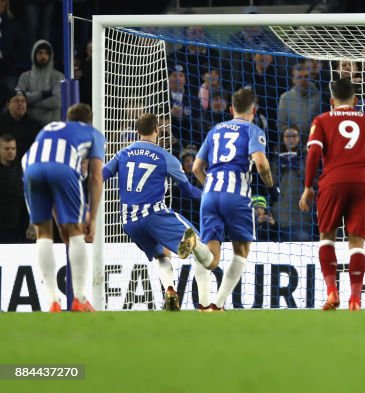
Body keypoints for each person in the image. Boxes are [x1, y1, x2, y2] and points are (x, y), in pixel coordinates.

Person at [300, 79, 365, 311]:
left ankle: (332, 292)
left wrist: (307, 187)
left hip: (332, 182)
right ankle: (355, 298)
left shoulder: (322, 120)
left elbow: (314, 152)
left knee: (327, 237)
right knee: (356, 243)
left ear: (332, 101)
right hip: (362, 183)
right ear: (356, 100)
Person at [102, 112, 215, 311]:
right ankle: (205, 303)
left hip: (129, 222)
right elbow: (188, 191)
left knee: (161, 255)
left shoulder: (123, 153)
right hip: (155, 215)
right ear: (157, 130)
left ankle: (170, 290)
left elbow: (102, 175)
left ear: (137, 131)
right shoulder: (166, 158)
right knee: (202, 250)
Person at [192, 88, 274, 311]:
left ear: (231, 109)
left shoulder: (215, 130)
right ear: (254, 110)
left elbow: (196, 167)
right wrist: (271, 187)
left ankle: (202, 304)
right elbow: (261, 162)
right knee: (241, 252)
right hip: (236, 195)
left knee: (210, 257)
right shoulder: (253, 129)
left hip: (210, 194)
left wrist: (209, 183)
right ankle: (217, 306)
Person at [23, 103, 105, 312]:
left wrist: (61, 222)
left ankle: (52, 302)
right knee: (76, 232)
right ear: (89, 120)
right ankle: (79, 299)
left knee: (43, 234)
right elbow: (96, 177)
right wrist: (92, 219)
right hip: (63, 166)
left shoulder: (49, 128)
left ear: (67, 118)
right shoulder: (92, 133)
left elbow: (45, 167)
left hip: (30, 167)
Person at [16, 40, 63, 124]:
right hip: (29, 125)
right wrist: (42, 94)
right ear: (34, 55)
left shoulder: (58, 76)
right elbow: (18, 99)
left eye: (46, 53)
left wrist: (30, 102)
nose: (43, 56)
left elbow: (57, 101)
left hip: (52, 125)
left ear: (50, 55)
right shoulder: (25, 77)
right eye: (40, 53)